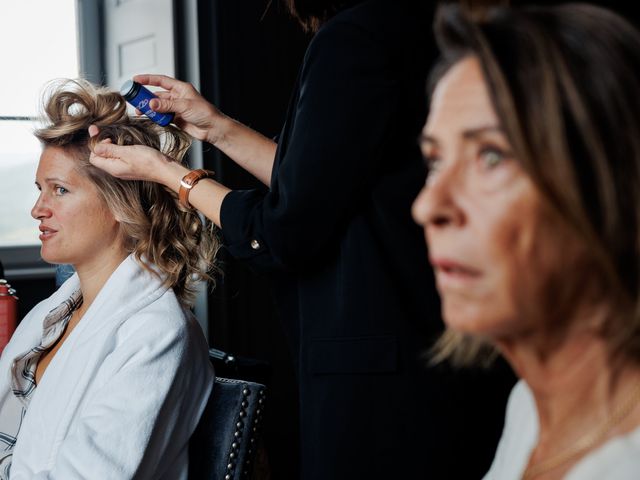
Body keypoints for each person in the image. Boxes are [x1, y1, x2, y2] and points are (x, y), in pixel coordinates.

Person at [89, 1, 514, 478]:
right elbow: (323, 184)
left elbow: (288, 229)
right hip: (435, 346)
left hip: (384, 376)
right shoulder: (413, 25)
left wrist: (172, 176)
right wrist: (216, 127)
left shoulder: (356, 38)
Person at [412, 3, 640, 479]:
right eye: (435, 161)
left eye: (492, 156)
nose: (428, 206)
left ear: (612, 187)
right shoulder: (529, 408)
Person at [0, 79, 216, 479]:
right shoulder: (52, 315)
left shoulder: (156, 334)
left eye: (59, 190)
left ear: (120, 204)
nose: (37, 210)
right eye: (39, 190)